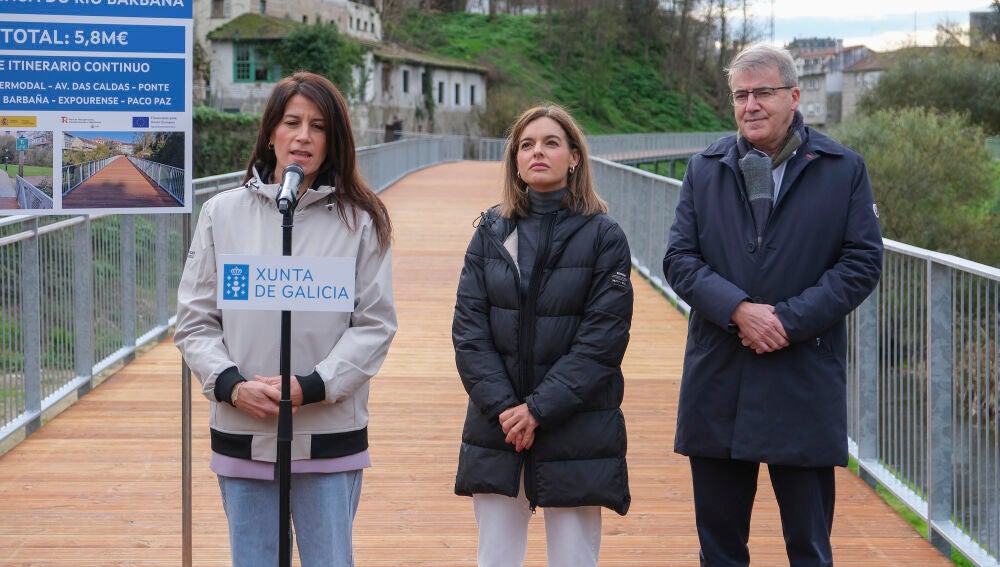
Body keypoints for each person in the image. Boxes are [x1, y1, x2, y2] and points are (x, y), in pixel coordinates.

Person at [662, 44, 883, 566]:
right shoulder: (704, 168)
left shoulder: (842, 168)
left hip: (800, 375)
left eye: (763, 92)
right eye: (741, 95)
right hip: (721, 376)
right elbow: (679, 259)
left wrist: (786, 320)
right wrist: (739, 309)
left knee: (809, 547)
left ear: (794, 96)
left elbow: (861, 263)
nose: (751, 105)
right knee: (720, 549)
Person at [174, 72, 397, 567]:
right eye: (292, 122)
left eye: (318, 126)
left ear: (334, 140)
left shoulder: (360, 220)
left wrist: (313, 386)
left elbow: (374, 324)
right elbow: (194, 321)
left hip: (328, 432)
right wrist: (231, 386)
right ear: (270, 132)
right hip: (244, 429)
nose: (303, 137)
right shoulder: (221, 213)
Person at [452, 104, 633, 567]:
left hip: (577, 424)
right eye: (526, 145)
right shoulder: (490, 231)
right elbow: (469, 332)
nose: (538, 152)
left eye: (551, 143)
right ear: (515, 160)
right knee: (496, 558)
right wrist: (506, 409)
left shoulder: (604, 236)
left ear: (574, 157)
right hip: (498, 426)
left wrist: (538, 409)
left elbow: (603, 342)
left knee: (574, 558)